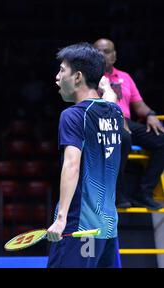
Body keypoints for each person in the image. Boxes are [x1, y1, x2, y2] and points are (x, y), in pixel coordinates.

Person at [47, 43, 123, 268]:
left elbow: (72, 165)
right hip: (108, 228)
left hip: (80, 229)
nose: (57, 77)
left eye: (62, 70)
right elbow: (110, 97)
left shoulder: (72, 115)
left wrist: (61, 220)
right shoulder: (115, 112)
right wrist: (105, 85)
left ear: (78, 76)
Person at [94, 38, 164, 209]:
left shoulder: (125, 77)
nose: (103, 55)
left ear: (114, 56)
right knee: (123, 138)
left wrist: (150, 114)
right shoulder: (88, 77)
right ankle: (117, 193)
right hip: (102, 122)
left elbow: (138, 105)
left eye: (107, 51)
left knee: (161, 140)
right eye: (99, 51)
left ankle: (144, 192)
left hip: (127, 122)